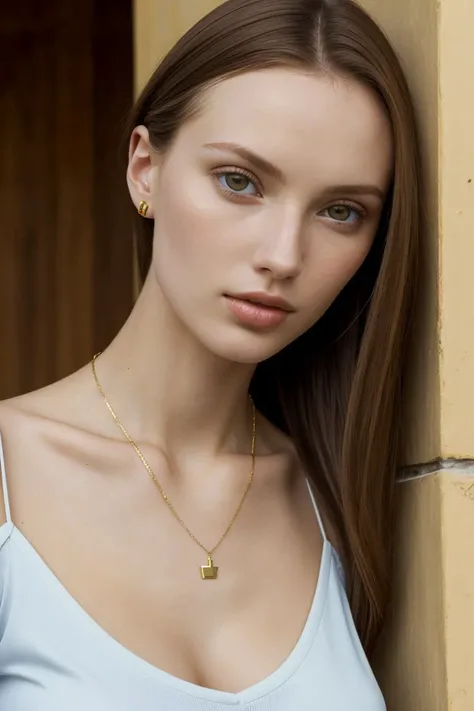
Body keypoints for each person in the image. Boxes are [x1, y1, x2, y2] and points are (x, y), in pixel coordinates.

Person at [0, 0, 422, 708]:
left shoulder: (334, 501)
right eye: (240, 181)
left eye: (340, 211)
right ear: (144, 169)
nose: (283, 256)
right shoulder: (13, 475)